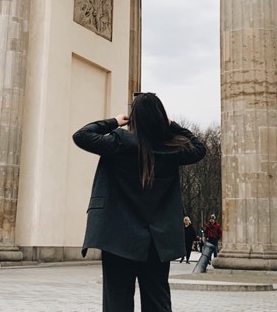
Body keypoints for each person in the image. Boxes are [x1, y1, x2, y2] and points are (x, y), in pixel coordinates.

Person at [73, 93, 206, 312]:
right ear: (160, 118)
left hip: (118, 238)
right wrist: (173, 126)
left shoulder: (120, 141)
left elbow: (82, 135)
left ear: (134, 118)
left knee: (117, 301)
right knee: (157, 301)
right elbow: (199, 148)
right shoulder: (171, 148)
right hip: (157, 240)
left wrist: (114, 121)